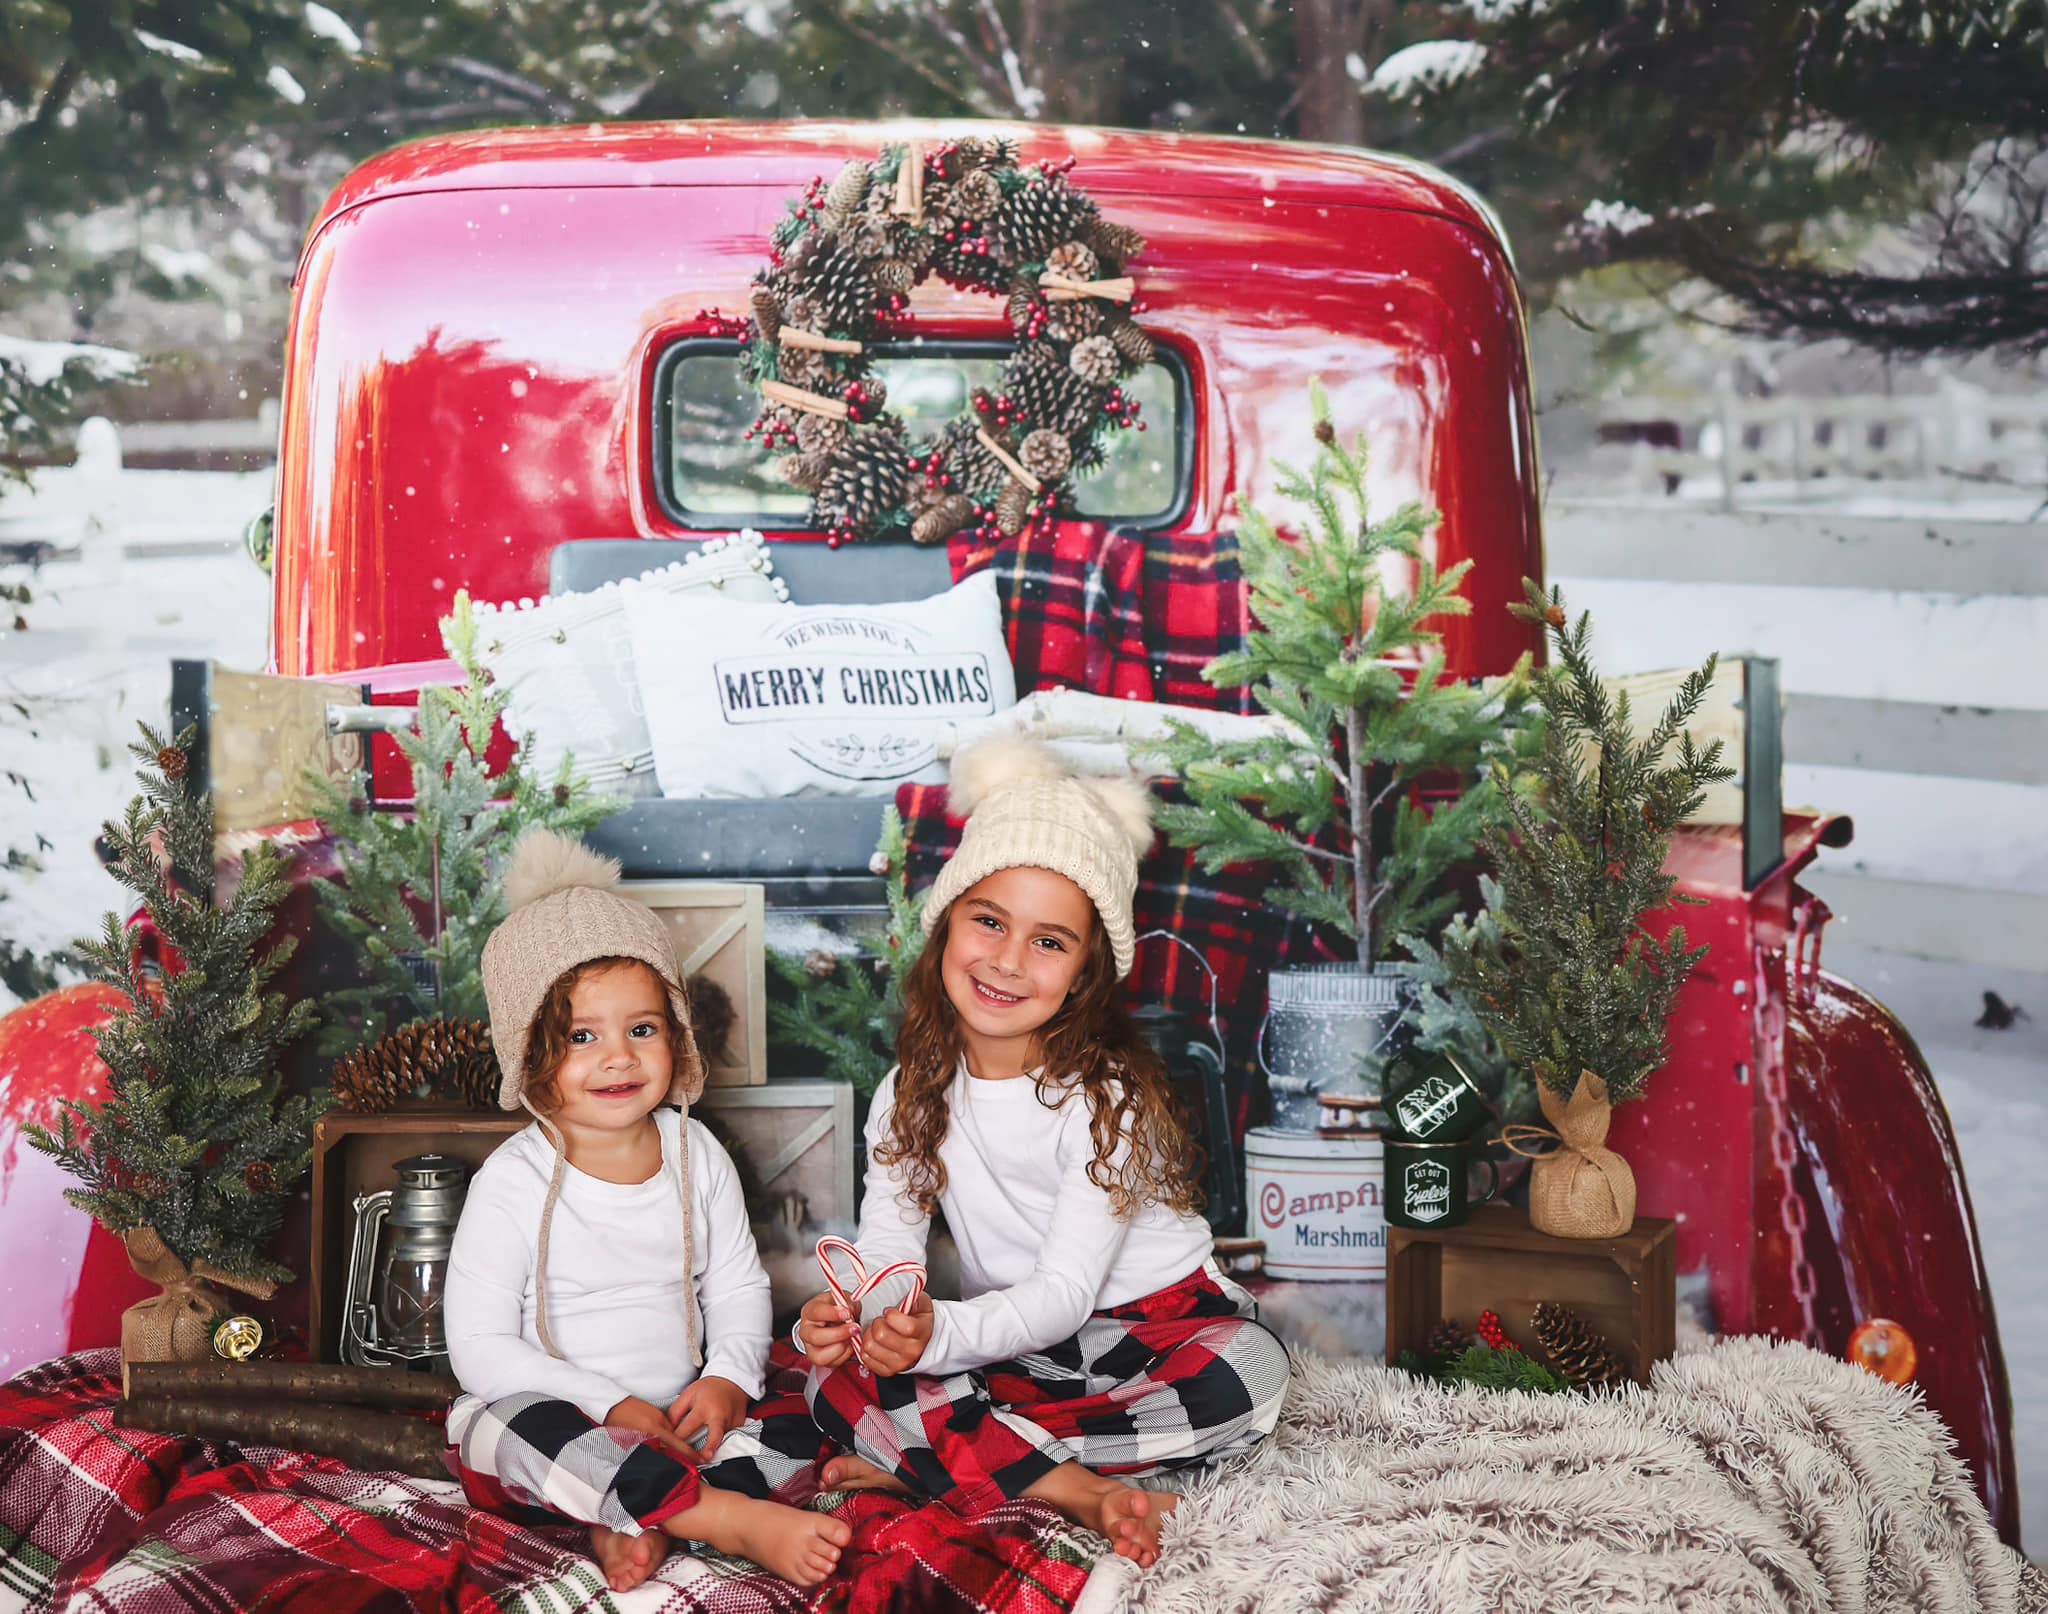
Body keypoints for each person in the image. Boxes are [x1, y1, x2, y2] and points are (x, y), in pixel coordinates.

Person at [794, 740, 1290, 1569]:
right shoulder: (908, 1088)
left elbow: (1064, 1293)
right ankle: (1071, 1486)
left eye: (1049, 942)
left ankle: (930, 1462)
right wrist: (869, 1317)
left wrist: (937, 1340)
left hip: (1154, 1333)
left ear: (1088, 972)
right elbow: (890, 1244)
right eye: (988, 921)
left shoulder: (1103, 1102)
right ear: (946, 920)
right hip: (1017, 1348)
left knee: (1251, 1371)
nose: (1008, 961)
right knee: (823, 1378)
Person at [444, 829, 850, 1592]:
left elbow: (735, 1289)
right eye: (580, 1037)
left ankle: (640, 1514)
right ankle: (718, 1517)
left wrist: (728, 1377)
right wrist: (610, 1404)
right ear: (526, 1052)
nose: (619, 1057)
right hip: (573, 1417)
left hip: (685, 1414)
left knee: (804, 1411)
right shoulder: (513, 1179)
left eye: (642, 1028)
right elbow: (478, 1346)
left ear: (675, 1031)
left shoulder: (697, 1155)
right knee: (493, 1425)